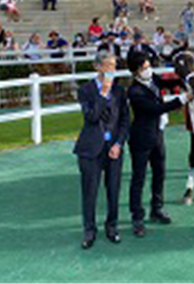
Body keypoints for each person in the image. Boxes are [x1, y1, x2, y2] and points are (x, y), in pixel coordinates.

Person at [126, 52, 190, 237]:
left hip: (157, 135)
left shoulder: (153, 79)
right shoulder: (134, 92)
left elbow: (166, 83)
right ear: (136, 71)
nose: (149, 70)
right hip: (141, 138)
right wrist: (183, 99)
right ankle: (137, 216)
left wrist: (182, 80)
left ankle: (157, 208)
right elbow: (156, 109)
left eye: (148, 66)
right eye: (144, 68)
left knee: (159, 173)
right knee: (139, 178)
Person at [74, 50, 129, 249]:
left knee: (113, 190)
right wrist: (103, 93)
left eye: (114, 66)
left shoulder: (120, 91)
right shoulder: (86, 90)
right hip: (90, 149)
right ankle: (89, 231)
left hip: (113, 148)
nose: (111, 70)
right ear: (97, 67)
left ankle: (112, 227)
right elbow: (91, 117)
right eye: (107, 65)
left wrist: (118, 144)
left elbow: (125, 120)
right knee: (90, 192)